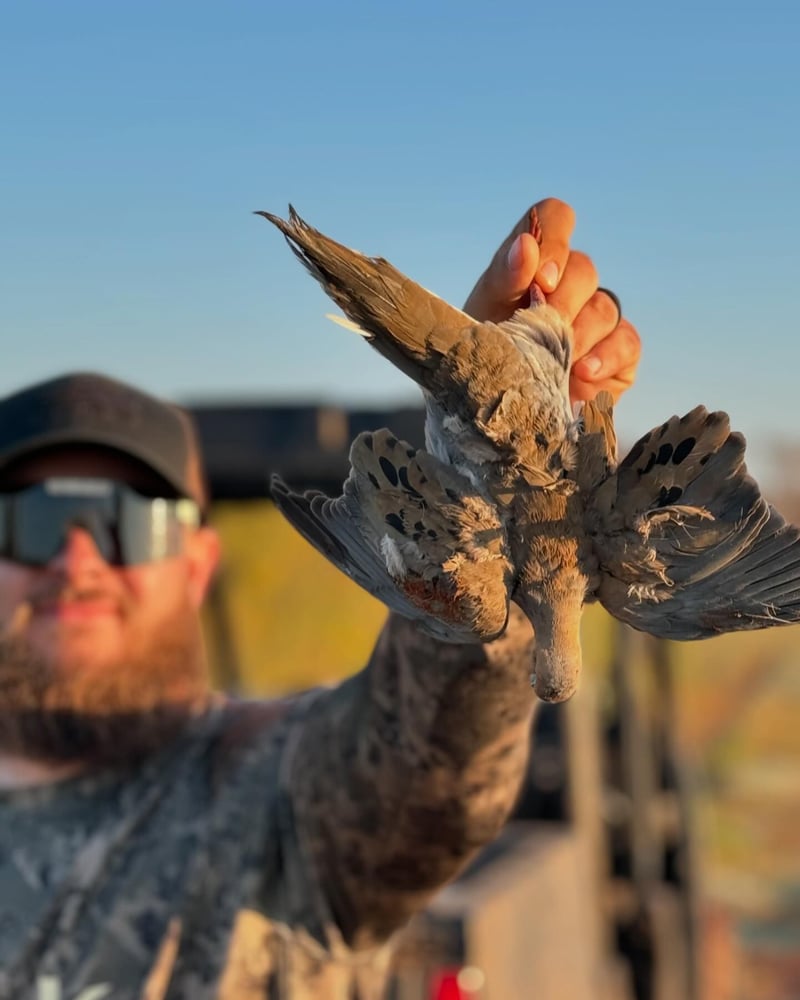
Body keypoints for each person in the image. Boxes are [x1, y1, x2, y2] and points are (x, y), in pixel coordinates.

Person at [0, 198, 641, 999]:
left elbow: (424, 763)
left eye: (131, 520)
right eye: (32, 517)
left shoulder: (269, 789)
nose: (78, 557)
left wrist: (484, 462)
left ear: (198, 564)